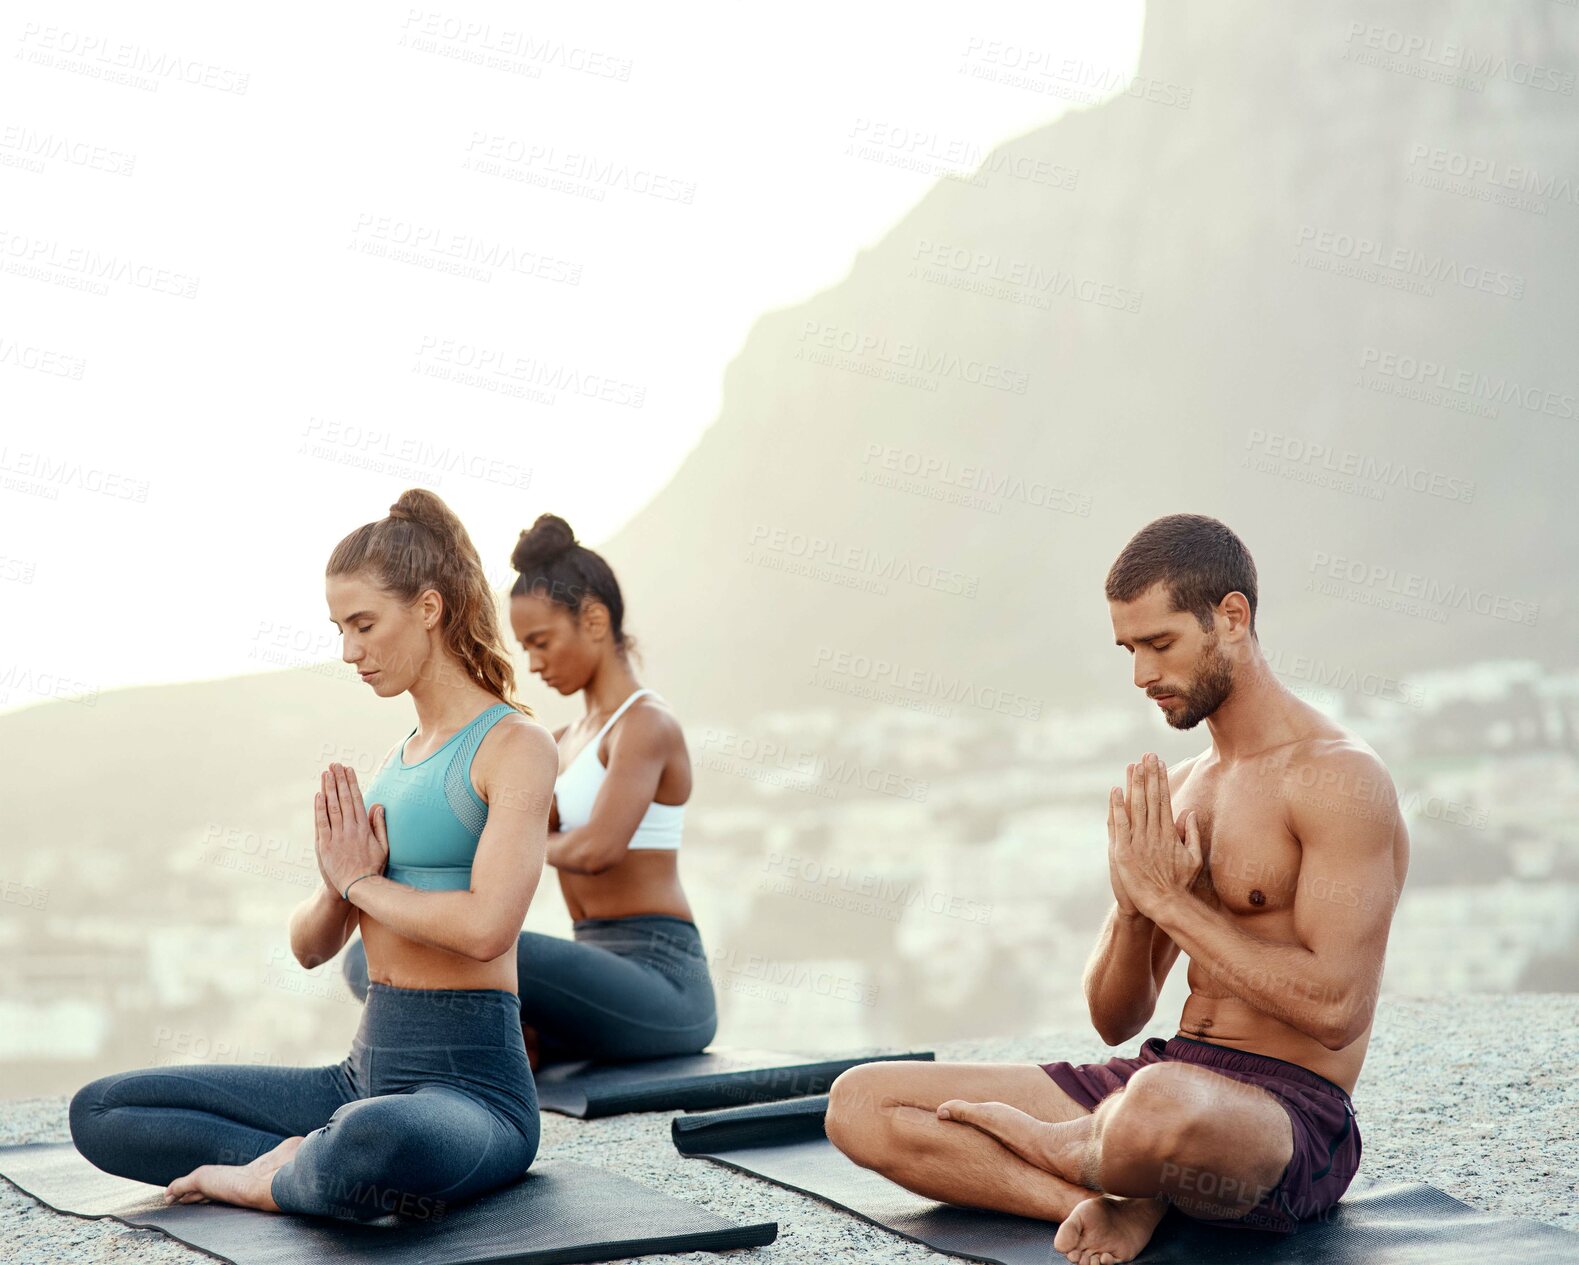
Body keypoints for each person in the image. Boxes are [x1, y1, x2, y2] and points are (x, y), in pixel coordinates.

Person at [825, 514, 1409, 1263]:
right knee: (861, 1103)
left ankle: (1097, 1154)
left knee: (1158, 1105)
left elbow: (1336, 1009)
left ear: (1231, 617)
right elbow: (1113, 1018)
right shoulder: (1180, 788)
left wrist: (1170, 901)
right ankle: (1101, 1199)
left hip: (1283, 1114)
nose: (1140, 675)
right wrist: (1135, 906)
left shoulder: (1337, 777)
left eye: (1158, 643)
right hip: (1157, 1079)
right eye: (1128, 649)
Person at [69, 489, 559, 1222]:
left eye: (364, 624)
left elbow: (489, 925)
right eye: (339, 628)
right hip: (360, 1073)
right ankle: (318, 1156)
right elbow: (308, 950)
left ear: (428, 608)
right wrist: (337, 889)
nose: (348, 651)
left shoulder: (515, 746)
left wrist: (363, 880)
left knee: (377, 1136)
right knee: (103, 1109)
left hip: (471, 1093)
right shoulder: (399, 759)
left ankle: (277, 1175)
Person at [342, 512, 716, 1069]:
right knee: (370, 961)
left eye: (542, 642)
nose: (534, 664)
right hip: (594, 974)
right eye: (525, 647)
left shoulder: (646, 725)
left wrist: (512, 853)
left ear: (593, 620)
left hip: (662, 981)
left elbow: (596, 849)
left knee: (426, 948)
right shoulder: (562, 740)